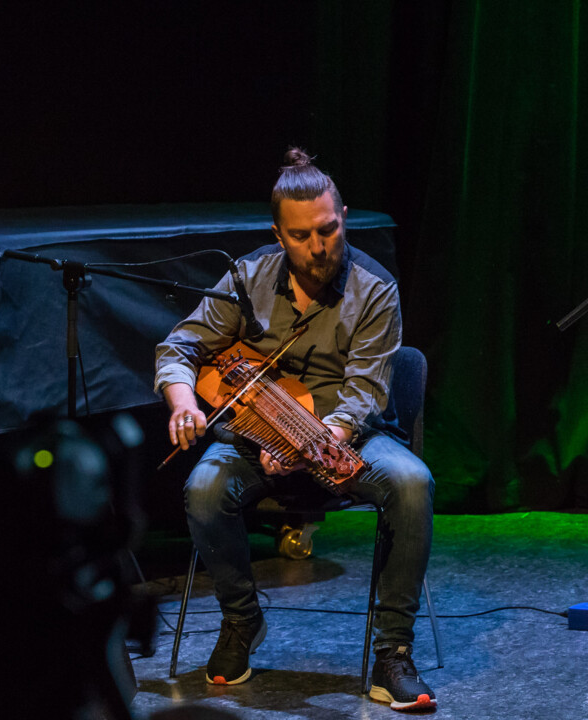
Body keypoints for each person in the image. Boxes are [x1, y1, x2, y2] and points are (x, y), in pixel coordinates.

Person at [155, 148, 436, 711]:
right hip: (251, 437)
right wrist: (182, 402)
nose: (319, 247)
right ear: (279, 235)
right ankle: (242, 620)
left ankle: (393, 652)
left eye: (328, 230)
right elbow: (179, 346)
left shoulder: (375, 289)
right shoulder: (248, 277)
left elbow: (363, 395)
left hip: (346, 436)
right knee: (203, 489)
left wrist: (307, 442)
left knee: (412, 484)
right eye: (302, 236)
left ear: (343, 218)